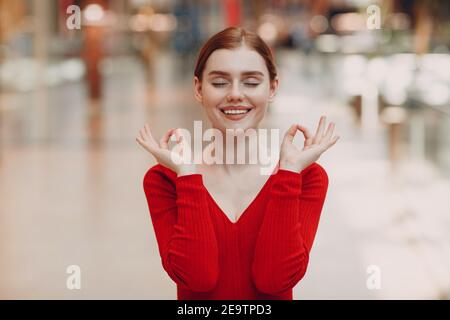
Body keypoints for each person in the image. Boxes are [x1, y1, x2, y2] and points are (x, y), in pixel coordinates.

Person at [136, 27, 339, 300]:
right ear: (198, 89)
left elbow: (274, 279)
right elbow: (198, 277)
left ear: (272, 88)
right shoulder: (165, 180)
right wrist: (188, 176)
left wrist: (288, 173)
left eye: (251, 82)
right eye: (219, 82)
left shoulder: (306, 178)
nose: (235, 94)